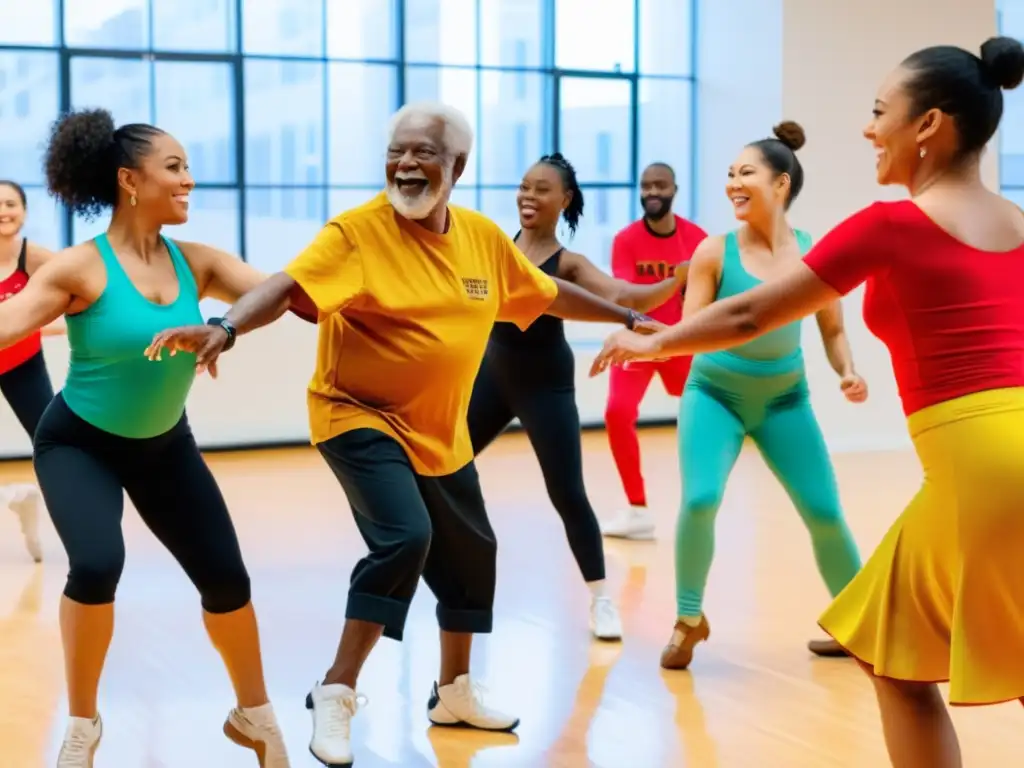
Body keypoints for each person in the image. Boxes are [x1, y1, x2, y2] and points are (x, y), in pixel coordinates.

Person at [144, 101, 663, 768]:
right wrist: (226, 328)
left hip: (438, 427)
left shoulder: (480, 238)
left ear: (459, 166)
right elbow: (285, 286)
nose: (407, 164)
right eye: (398, 151)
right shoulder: (359, 232)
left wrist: (626, 315)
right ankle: (336, 688)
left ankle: (453, 692)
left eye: (424, 153)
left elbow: (547, 294)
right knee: (406, 536)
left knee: (474, 555)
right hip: (356, 413)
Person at [590, 36, 1024, 768]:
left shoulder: (888, 225)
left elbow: (749, 315)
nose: (867, 127)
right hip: (986, 460)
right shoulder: (1018, 224)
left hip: (978, 468)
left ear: (929, 126)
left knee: (930, 660)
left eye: (881, 111)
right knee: (900, 649)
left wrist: (651, 343)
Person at [0, 109, 291, 767]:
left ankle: (256, 717)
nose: (189, 180)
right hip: (78, 443)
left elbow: (287, 293)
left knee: (226, 580)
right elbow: (8, 322)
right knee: (98, 565)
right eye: (175, 167)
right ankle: (82, 726)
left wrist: (234, 323)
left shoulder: (200, 262)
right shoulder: (80, 269)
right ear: (130, 181)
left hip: (164, 445)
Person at [624, 121, 868, 671]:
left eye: (746, 173)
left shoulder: (813, 253)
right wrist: (645, 345)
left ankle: (860, 623)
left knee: (825, 511)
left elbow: (831, 328)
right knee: (700, 499)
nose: (733, 182)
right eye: (729, 174)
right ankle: (689, 618)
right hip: (715, 395)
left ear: (780, 184)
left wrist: (846, 371)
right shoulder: (713, 252)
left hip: (787, 399)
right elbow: (692, 330)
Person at [468, 153, 685, 642]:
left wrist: (678, 281)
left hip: (545, 383)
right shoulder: (497, 247)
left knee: (568, 494)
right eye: (524, 186)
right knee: (445, 461)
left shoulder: (568, 263)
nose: (528, 195)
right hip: (493, 372)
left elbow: (626, 297)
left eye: (542, 189)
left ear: (564, 200)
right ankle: (448, 564)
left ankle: (601, 600)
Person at [600, 163, 708, 541]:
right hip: (641, 341)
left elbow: (708, 298)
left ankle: (701, 503)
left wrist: (680, 330)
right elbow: (628, 298)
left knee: (707, 410)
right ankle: (637, 508)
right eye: (645, 186)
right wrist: (674, 280)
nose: (651, 192)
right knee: (617, 412)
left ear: (674, 190)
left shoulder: (698, 239)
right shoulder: (626, 239)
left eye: (659, 185)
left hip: (681, 339)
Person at [0, 180, 67, 564]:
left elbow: (84, 290)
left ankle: (76, 531)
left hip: (22, 362)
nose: (3, 211)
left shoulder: (34, 257)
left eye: (11, 203)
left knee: (52, 443)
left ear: (23, 212)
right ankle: (15, 498)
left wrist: (38, 328)